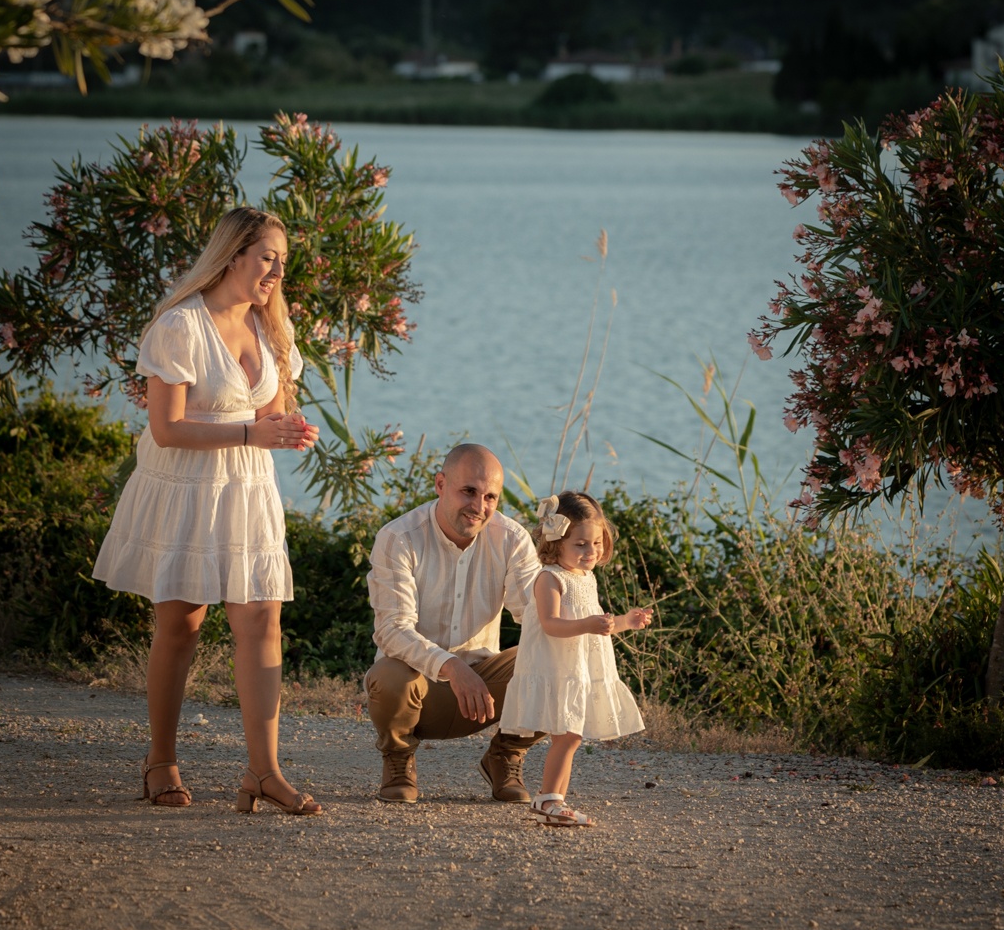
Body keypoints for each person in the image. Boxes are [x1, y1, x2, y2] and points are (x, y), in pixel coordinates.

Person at [93, 206, 324, 816]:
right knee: (182, 625)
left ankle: (264, 772)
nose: (277, 271)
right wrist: (252, 435)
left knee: (261, 623)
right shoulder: (180, 327)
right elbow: (166, 429)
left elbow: (266, 414)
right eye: (267, 257)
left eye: (282, 260)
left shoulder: (273, 329)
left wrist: (288, 430)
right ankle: (160, 761)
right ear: (233, 255)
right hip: (186, 487)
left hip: (247, 488)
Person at [364, 443, 546, 803]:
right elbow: (392, 629)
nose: (480, 507)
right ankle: (398, 761)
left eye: (491, 497)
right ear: (440, 484)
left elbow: (537, 614)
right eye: (469, 491)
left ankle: (506, 755)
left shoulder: (511, 539)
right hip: (415, 690)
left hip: (484, 689)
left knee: (559, 658)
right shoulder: (398, 538)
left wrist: (586, 629)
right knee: (388, 677)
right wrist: (450, 666)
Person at [499, 491, 651, 826]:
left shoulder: (587, 577)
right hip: (556, 669)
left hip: (579, 668)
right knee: (567, 735)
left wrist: (627, 621)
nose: (591, 552)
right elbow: (551, 624)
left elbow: (599, 625)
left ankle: (553, 799)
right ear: (556, 543)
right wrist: (586, 624)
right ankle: (548, 800)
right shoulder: (549, 579)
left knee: (572, 735)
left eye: (596, 543)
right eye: (581, 544)